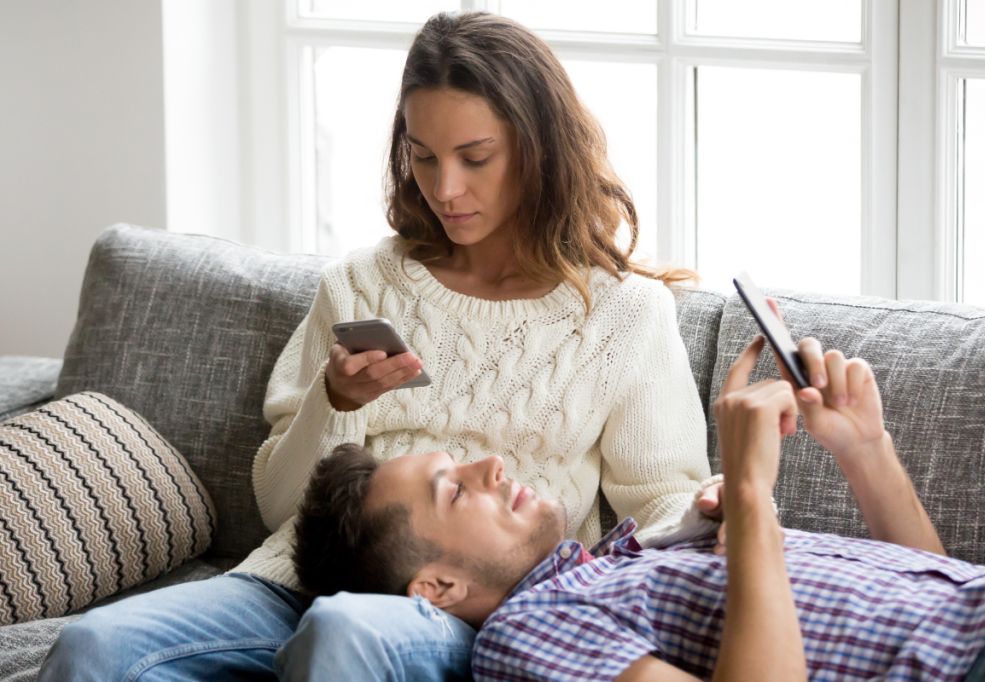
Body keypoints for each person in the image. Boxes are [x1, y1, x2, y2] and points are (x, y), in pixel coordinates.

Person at [40, 10, 723, 681]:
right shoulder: (362, 285)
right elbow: (283, 508)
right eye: (423, 157)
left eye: (475, 158)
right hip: (292, 584)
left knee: (344, 632)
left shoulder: (625, 313)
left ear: (540, 149)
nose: (445, 189)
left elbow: (660, 497)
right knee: (93, 646)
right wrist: (333, 401)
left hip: (466, 607)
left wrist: (712, 509)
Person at [293, 336, 985, 681]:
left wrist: (866, 450)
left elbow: (947, 599)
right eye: (454, 489)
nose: (491, 465)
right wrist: (749, 496)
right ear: (438, 587)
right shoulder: (527, 635)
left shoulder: (636, 554)